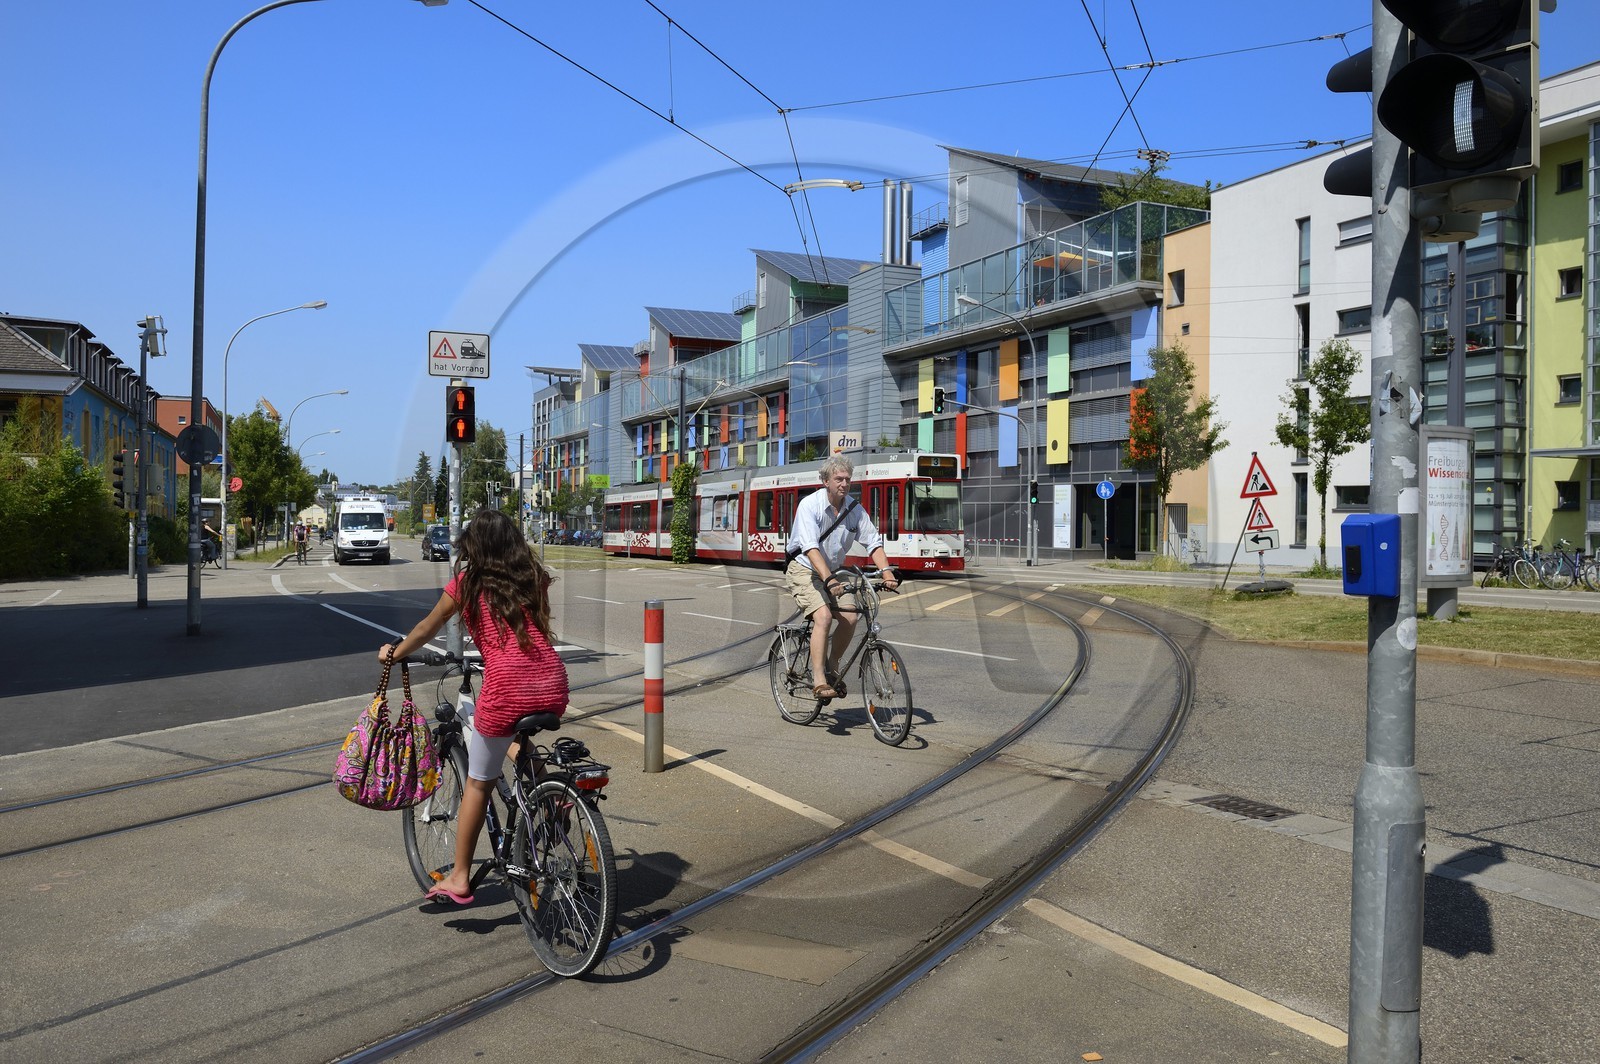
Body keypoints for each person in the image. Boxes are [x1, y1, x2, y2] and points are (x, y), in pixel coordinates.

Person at [378, 508, 568, 906]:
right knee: (513, 739)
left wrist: (396, 653)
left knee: (478, 783)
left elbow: (427, 628)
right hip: (551, 680)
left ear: (473, 547)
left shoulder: (467, 584)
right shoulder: (534, 578)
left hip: (507, 688)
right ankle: (552, 802)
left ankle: (460, 876)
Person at [784, 455, 898, 700]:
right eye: (838, 479)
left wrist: (887, 573)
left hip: (832, 572)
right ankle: (819, 680)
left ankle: (832, 666)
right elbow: (811, 548)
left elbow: (873, 543)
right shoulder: (809, 505)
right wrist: (829, 581)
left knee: (850, 616)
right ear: (825, 480)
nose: (844, 483)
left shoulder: (854, 510)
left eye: (848, 479)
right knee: (823, 617)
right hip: (804, 569)